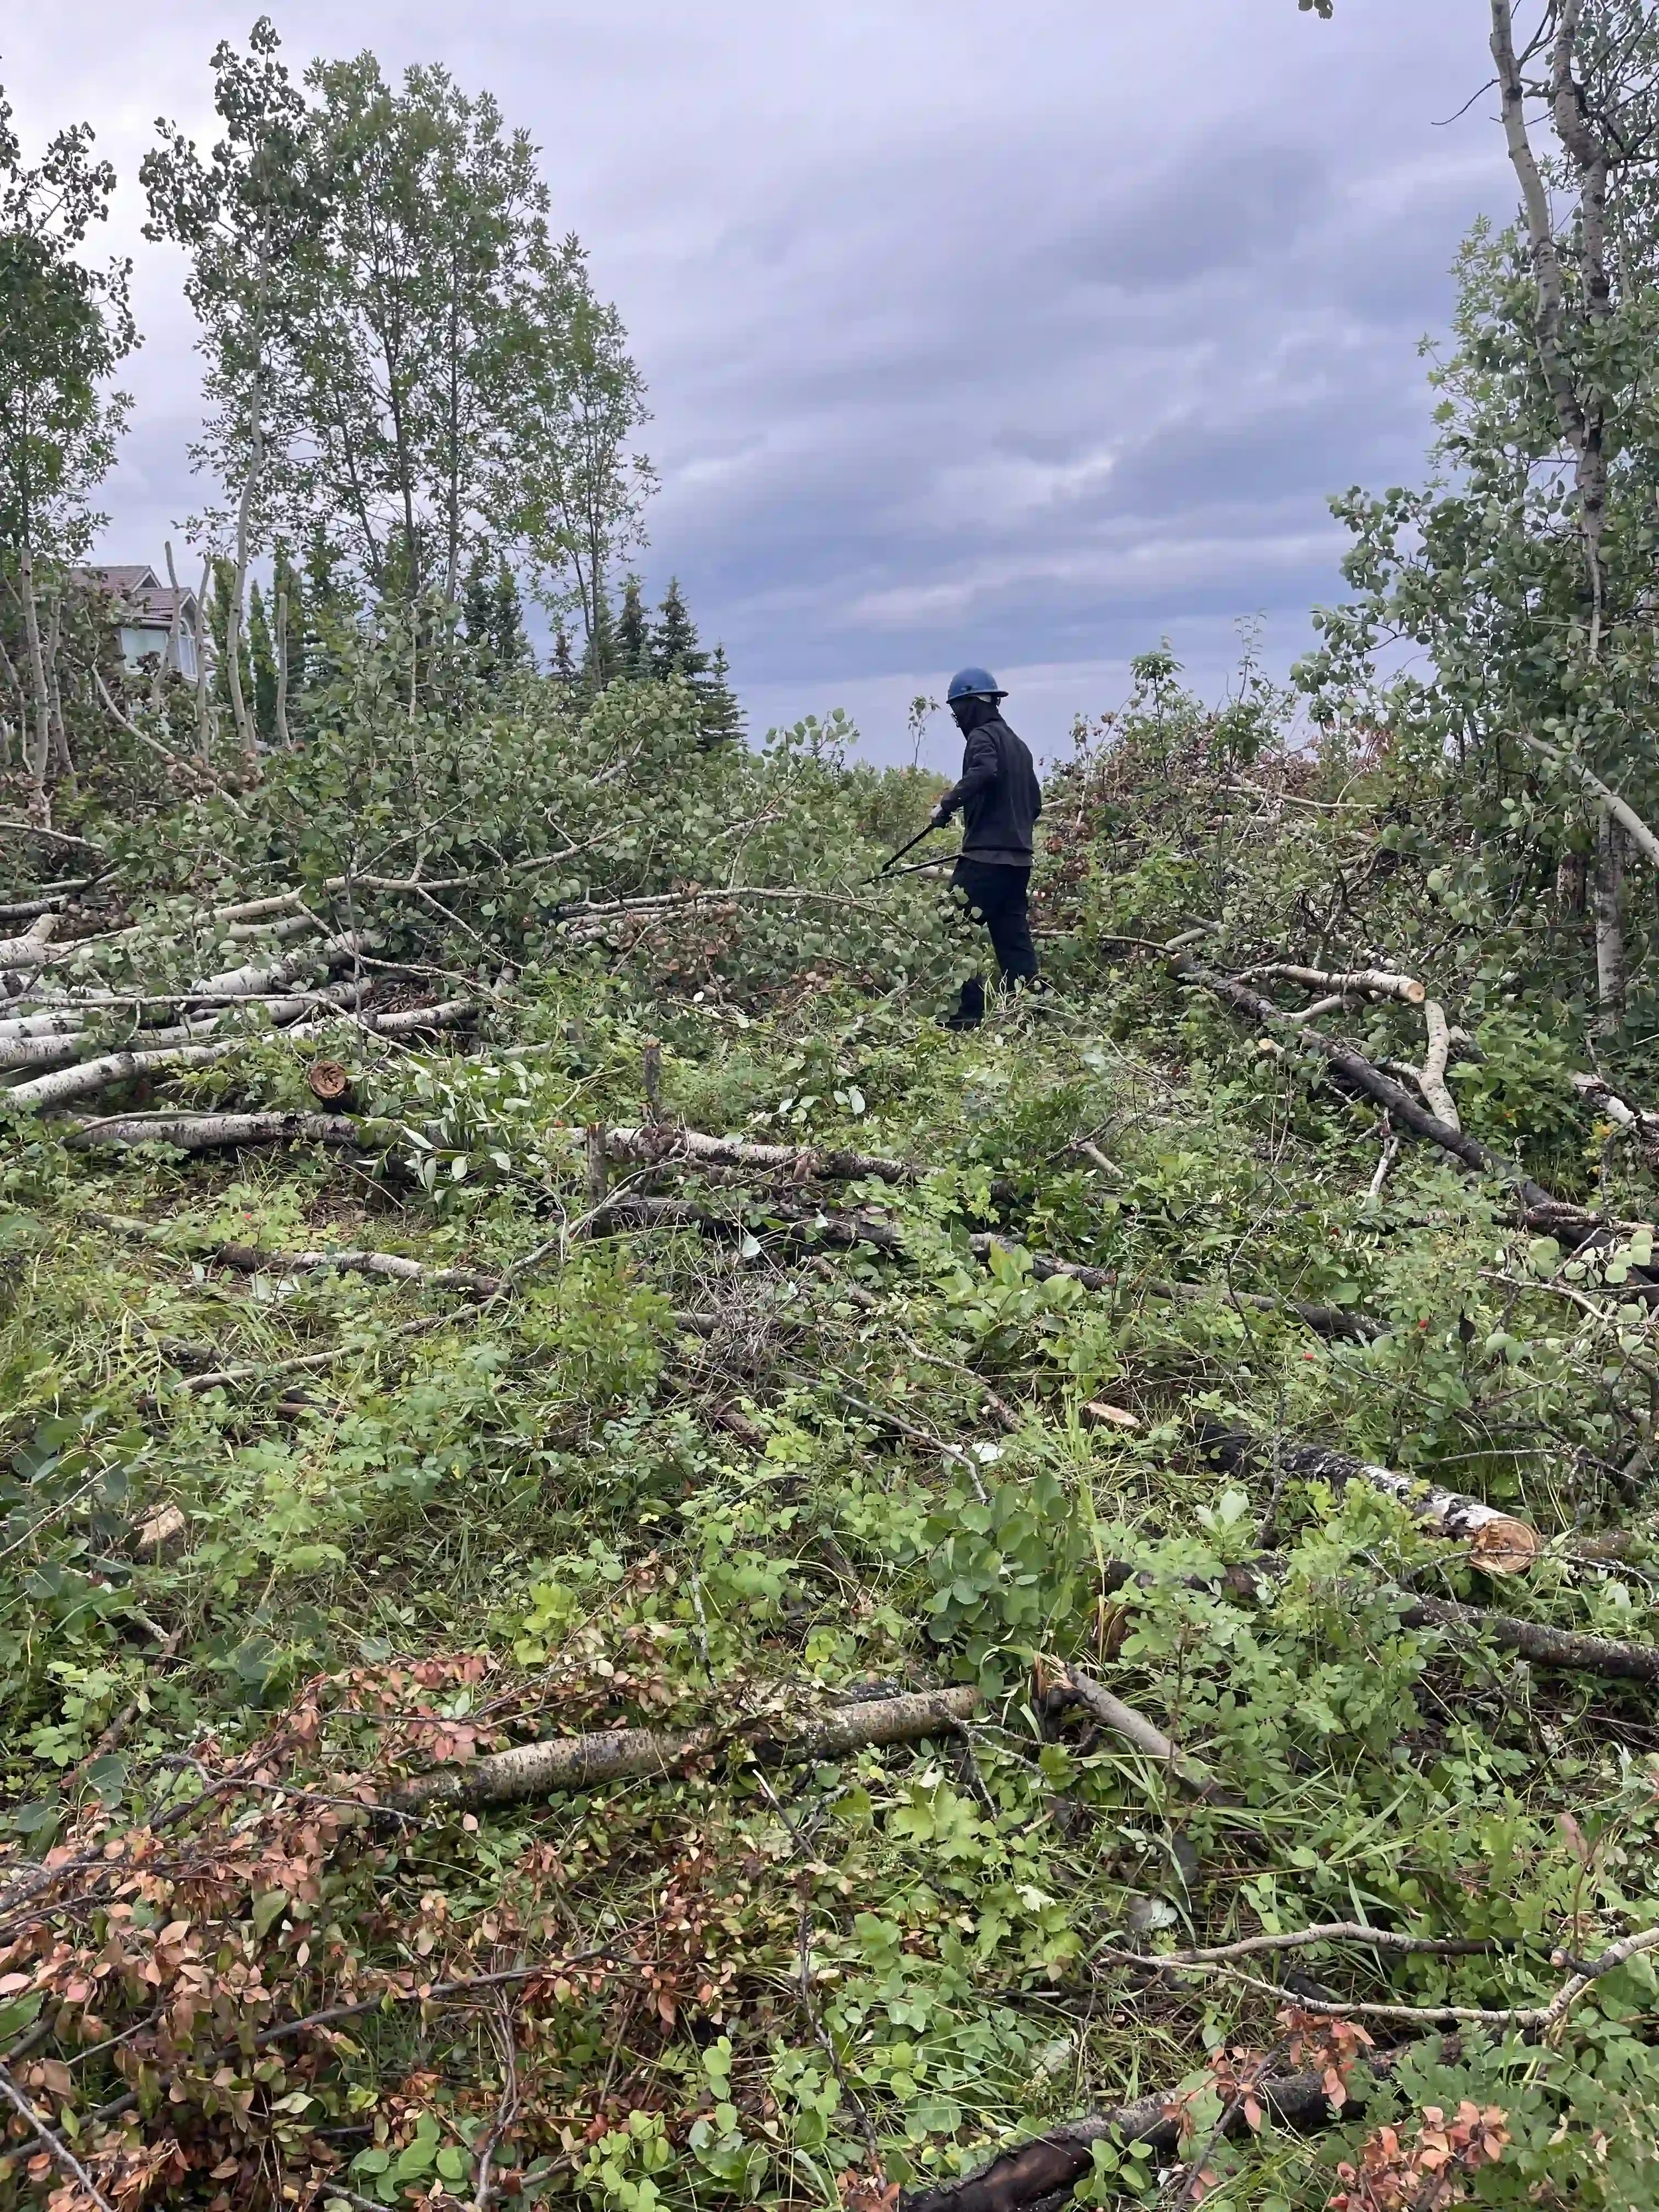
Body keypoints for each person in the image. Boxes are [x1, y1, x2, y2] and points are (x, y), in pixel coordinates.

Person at [931, 666, 1043, 1028]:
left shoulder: (981, 738)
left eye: (957, 709)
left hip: (985, 859)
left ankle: (965, 1018)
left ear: (972, 703)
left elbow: (984, 772)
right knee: (1013, 940)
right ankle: (1031, 1018)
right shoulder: (1019, 746)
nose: (957, 718)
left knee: (952, 925)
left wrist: (948, 804)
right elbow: (1035, 803)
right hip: (1018, 862)